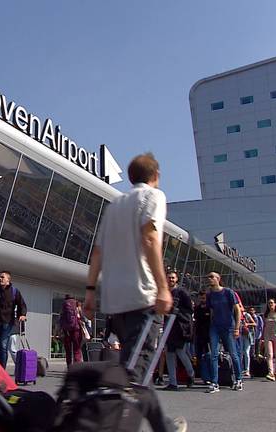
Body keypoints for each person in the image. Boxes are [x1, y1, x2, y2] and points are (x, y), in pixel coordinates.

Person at [85, 153, 187, 432]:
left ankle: (164, 426)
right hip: (142, 298)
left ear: (130, 177)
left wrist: (91, 291)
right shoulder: (154, 197)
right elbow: (150, 237)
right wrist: (163, 287)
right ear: (156, 175)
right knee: (133, 378)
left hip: (115, 302)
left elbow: (97, 252)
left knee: (135, 369)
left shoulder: (115, 204)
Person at [204, 271, 243, 393]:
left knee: (233, 353)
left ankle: (238, 379)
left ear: (218, 279)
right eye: (208, 277)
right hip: (215, 326)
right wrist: (211, 325)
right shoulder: (210, 295)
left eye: (212, 277)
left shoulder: (228, 292)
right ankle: (215, 383)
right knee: (214, 354)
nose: (209, 279)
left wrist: (237, 327)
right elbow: (211, 311)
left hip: (228, 326)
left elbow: (238, 310)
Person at [163, 271, 195, 390]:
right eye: (169, 278)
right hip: (168, 326)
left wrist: (179, 314)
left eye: (173, 278)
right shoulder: (165, 292)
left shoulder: (182, 292)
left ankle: (191, 374)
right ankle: (173, 382)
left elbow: (190, 309)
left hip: (179, 326)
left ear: (176, 279)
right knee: (169, 354)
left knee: (180, 352)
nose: (171, 280)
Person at [0, 270, 27, 368]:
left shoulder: (14, 291)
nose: (0, 279)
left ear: (8, 280)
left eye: (2, 277)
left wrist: (22, 314)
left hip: (7, 323)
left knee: (3, 346)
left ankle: (2, 370)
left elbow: (21, 304)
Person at [193, 290, 213, 385]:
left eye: (204, 297)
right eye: (201, 298)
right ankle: (204, 377)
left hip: (209, 335)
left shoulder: (210, 308)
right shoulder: (197, 308)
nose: (202, 299)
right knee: (200, 357)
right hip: (199, 335)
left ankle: (211, 376)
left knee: (209, 356)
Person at [262, 299, 276, 381]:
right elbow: (264, 326)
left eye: (271, 303)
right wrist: (262, 338)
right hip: (267, 335)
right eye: (269, 303)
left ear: (275, 304)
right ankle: (271, 372)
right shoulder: (266, 314)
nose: (270, 304)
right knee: (269, 355)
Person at [59, 294, 83, 366]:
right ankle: (77, 368)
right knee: (77, 349)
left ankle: (69, 367)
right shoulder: (77, 303)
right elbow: (81, 316)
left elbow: (60, 318)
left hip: (66, 331)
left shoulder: (64, 304)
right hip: (76, 329)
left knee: (68, 351)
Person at [239, 308, 256, 377]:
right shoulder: (235, 314)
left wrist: (247, 324)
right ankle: (240, 369)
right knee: (240, 352)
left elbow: (255, 323)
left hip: (247, 335)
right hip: (239, 335)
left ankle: (247, 369)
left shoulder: (246, 315)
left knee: (246, 352)